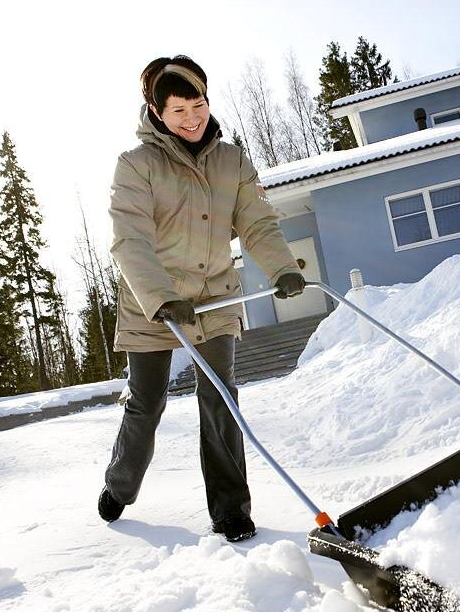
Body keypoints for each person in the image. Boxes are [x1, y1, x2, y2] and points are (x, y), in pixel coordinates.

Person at [98, 55, 306, 543]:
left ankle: (231, 510)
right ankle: (120, 484)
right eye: (178, 111)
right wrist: (162, 297)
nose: (192, 118)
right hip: (154, 303)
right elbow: (131, 239)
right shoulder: (136, 166)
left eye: (198, 104)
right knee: (146, 404)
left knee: (220, 398)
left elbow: (256, 221)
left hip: (213, 296)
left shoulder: (232, 160)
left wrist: (281, 267)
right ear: (155, 111)